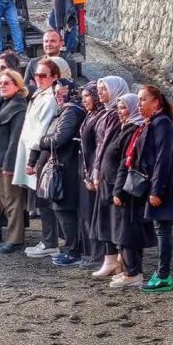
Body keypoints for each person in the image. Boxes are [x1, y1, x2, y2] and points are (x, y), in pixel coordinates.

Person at [121, 85, 173, 292]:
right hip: (158, 183)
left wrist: (156, 190)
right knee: (160, 229)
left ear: (156, 102)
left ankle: (164, 275)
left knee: (163, 230)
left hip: (164, 185)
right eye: (139, 99)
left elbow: (163, 159)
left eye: (143, 99)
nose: (140, 103)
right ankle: (162, 273)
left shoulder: (162, 124)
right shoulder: (151, 122)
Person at [28, 79, 87, 265]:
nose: (58, 96)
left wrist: (41, 140)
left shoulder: (71, 111)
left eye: (62, 92)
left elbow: (60, 138)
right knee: (62, 211)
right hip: (63, 166)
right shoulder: (66, 110)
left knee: (65, 211)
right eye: (56, 93)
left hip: (66, 167)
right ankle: (71, 249)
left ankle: (73, 251)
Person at [11, 58, 60, 257]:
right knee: (41, 199)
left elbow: (42, 130)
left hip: (40, 154)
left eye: (43, 75)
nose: (38, 78)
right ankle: (48, 241)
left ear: (55, 77)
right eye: (36, 75)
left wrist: (33, 160)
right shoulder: (40, 94)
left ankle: (50, 242)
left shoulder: (50, 98)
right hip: (33, 151)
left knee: (45, 201)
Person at [105, 93, 153, 288]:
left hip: (128, 190)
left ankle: (133, 273)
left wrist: (118, 191)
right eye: (118, 107)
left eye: (123, 107)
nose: (119, 111)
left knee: (127, 233)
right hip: (122, 187)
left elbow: (127, 163)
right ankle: (127, 270)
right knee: (123, 232)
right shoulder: (127, 128)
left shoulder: (135, 130)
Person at [0, 69, 29, 254]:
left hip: (7, 162)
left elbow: (15, 138)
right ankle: (12, 237)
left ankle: (15, 239)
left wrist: (9, 165)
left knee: (13, 201)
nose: (2, 86)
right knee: (6, 200)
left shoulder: (18, 106)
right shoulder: (2, 102)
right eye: (0, 82)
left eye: (7, 83)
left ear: (17, 86)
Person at [90, 76, 130, 276]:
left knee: (114, 218)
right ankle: (111, 260)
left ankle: (119, 260)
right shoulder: (106, 113)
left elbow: (106, 144)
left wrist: (96, 171)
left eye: (104, 89)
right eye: (99, 88)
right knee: (105, 216)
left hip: (111, 173)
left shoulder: (115, 114)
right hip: (104, 171)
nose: (100, 93)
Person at [74, 82, 104, 268]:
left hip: (93, 171)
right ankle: (89, 252)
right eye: (83, 96)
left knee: (92, 215)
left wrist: (93, 174)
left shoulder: (100, 117)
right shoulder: (90, 115)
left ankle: (97, 255)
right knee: (85, 214)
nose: (85, 100)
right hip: (84, 170)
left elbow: (98, 148)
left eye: (88, 96)